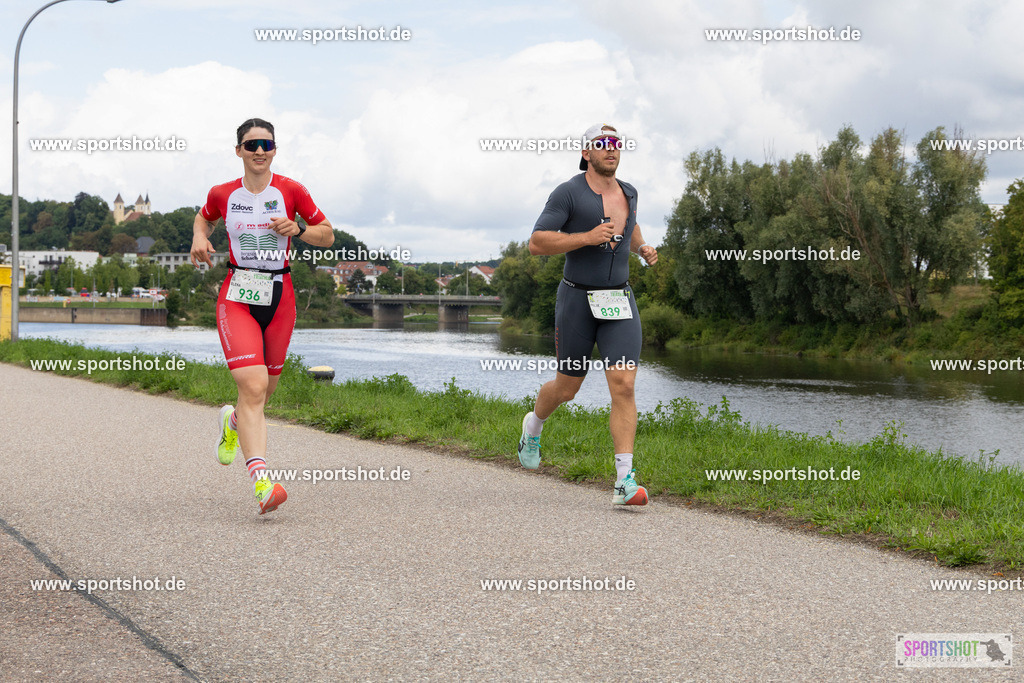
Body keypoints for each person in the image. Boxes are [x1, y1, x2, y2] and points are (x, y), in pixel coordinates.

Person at [191, 117, 335, 514]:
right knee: (253, 386)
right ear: (238, 150)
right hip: (237, 294)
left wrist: (299, 229)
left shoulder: (291, 190)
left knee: (263, 393)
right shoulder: (223, 193)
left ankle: (232, 422)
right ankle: (262, 484)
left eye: (266, 145)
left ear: (274, 149)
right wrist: (199, 236)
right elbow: (204, 216)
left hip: (281, 294)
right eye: (251, 145)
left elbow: (328, 233)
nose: (259, 151)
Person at [518, 123, 658, 506]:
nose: (611, 149)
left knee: (624, 385)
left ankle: (624, 482)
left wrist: (642, 246)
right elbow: (536, 242)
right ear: (586, 152)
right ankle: (533, 426)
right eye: (602, 144)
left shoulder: (628, 191)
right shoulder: (568, 193)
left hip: (619, 302)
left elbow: (629, 228)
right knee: (567, 389)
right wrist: (586, 237)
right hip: (578, 301)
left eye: (616, 144)